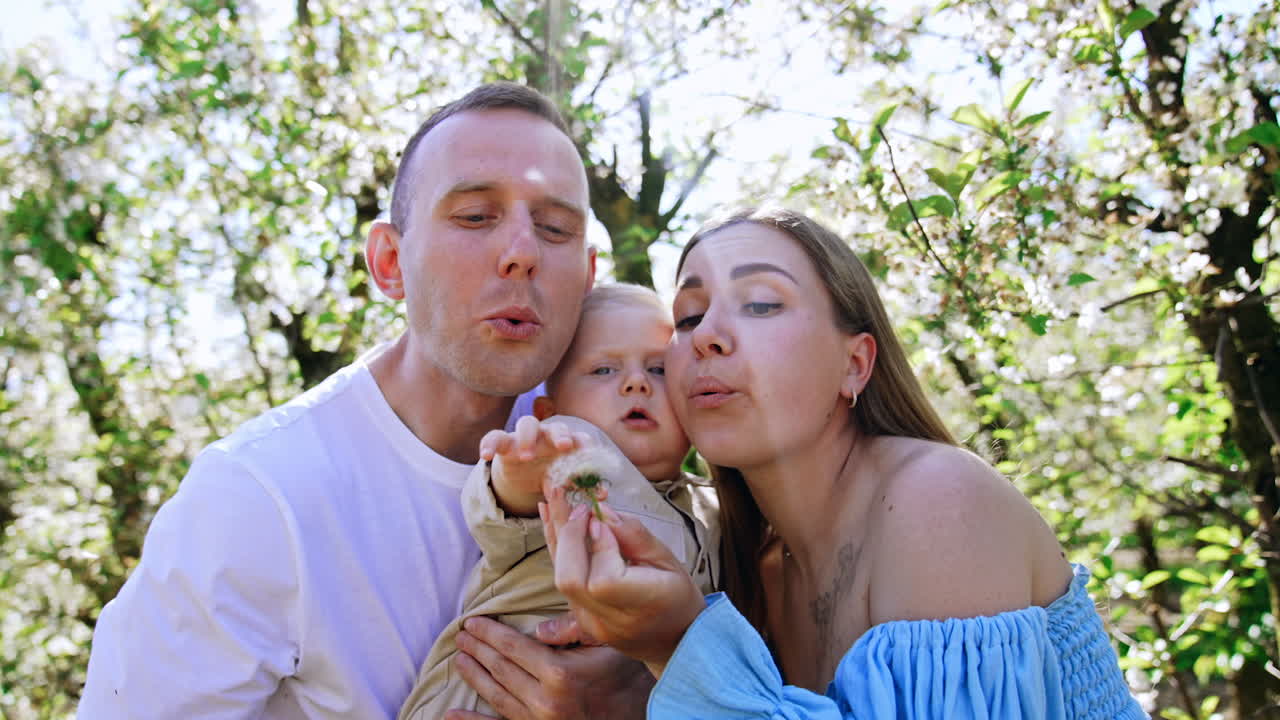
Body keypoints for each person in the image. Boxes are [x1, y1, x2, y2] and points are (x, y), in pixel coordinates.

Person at [78, 83, 651, 720]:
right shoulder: (257, 497)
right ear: (389, 262)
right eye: (474, 217)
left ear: (588, 277)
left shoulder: (621, 438)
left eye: (554, 228)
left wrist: (647, 690)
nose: (521, 253)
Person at [539, 207, 1149, 719]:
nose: (706, 336)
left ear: (855, 364)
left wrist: (677, 652)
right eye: (690, 316)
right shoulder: (745, 571)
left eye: (759, 303)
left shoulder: (938, 500)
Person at [398, 283, 719, 720]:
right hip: (481, 695)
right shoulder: (571, 454)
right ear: (550, 411)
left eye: (659, 369)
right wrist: (522, 472)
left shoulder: (710, 505)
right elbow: (501, 516)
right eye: (604, 370)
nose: (636, 384)